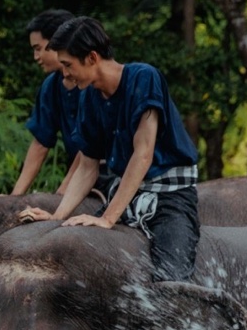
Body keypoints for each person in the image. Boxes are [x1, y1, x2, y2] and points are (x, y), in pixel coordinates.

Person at [18, 17, 201, 281]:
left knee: (171, 281)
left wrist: (107, 218)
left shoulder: (143, 78)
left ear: (91, 57)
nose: (64, 73)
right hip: (126, 195)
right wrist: (56, 217)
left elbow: (144, 153)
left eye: (68, 65)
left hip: (170, 197)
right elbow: (87, 166)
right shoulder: (89, 96)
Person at [8, 8, 92, 196]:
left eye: (38, 49)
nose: (36, 57)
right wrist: (15, 197)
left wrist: (62, 194)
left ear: (58, 42)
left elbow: (90, 147)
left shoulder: (92, 82)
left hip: (104, 171)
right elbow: (40, 143)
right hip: (76, 174)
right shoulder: (51, 86)